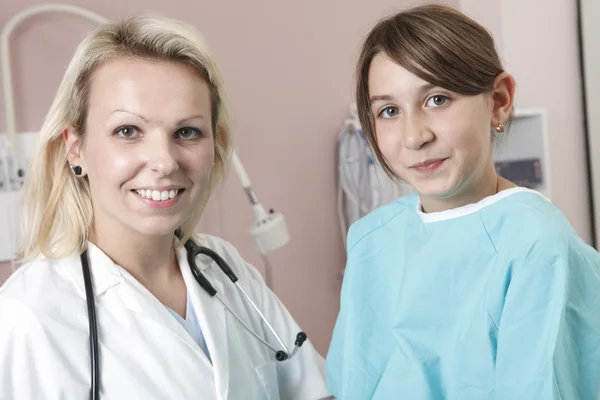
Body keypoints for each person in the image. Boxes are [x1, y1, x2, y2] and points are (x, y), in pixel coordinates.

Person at [0, 14, 330, 399]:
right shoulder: (29, 315)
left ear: (214, 145)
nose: (165, 161)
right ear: (76, 148)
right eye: (128, 131)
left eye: (187, 132)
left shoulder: (225, 269)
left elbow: (313, 389)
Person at [326, 4, 600, 399]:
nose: (414, 136)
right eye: (388, 111)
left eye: (437, 99)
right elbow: (352, 383)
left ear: (499, 100)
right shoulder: (370, 240)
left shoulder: (534, 243)